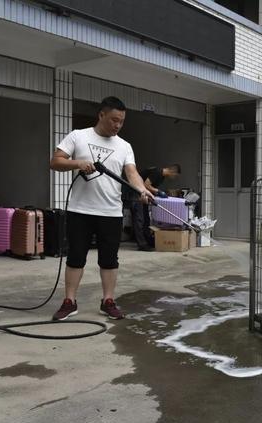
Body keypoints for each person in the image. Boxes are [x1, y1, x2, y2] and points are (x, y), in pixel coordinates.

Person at [49, 96, 154, 321]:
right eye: (114, 119)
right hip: (80, 210)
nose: (117, 125)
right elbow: (55, 161)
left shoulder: (124, 146)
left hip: (110, 212)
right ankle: (69, 301)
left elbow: (131, 173)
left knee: (109, 259)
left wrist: (141, 190)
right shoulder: (78, 136)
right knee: (76, 256)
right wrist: (77, 163)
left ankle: (108, 301)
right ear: (101, 115)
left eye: (122, 121)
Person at [128, 164, 181, 251]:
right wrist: (158, 191)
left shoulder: (162, 177)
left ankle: (148, 241)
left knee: (146, 219)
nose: (174, 178)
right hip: (136, 194)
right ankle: (142, 244)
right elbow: (146, 184)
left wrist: (155, 194)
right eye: (175, 176)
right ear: (172, 171)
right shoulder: (158, 173)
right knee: (139, 219)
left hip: (143, 195)